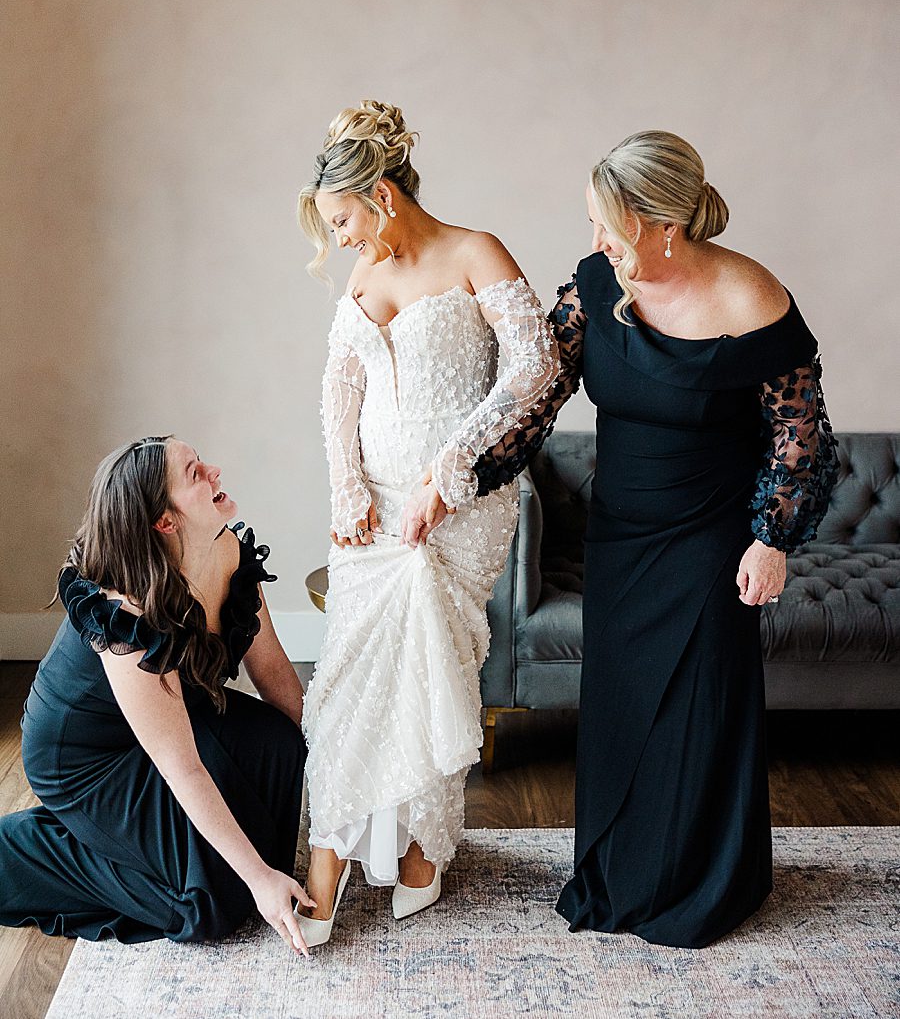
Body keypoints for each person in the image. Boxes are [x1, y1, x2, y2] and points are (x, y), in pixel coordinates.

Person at [474, 130, 839, 948]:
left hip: (713, 541)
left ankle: (704, 885)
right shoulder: (598, 285)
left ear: (660, 223)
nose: (597, 242)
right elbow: (534, 395)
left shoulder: (754, 296)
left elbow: (800, 433)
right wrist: (462, 473)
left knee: (699, 713)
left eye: (609, 224)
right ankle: (619, 876)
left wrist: (770, 537)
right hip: (622, 539)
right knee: (624, 711)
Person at [296, 99, 559, 944]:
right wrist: (345, 486)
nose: (339, 238)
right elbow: (340, 391)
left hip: (461, 510)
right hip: (371, 507)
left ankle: (419, 850)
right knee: (346, 677)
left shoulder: (476, 252)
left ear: (382, 192)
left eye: (343, 218)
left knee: (430, 669)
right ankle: (327, 865)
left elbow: (536, 366)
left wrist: (450, 473)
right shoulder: (362, 276)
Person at [0, 436, 314, 953]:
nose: (214, 471)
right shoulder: (128, 613)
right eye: (194, 473)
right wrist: (259, 881)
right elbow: (181, 765)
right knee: (216, 903)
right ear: (164, 521)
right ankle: (26, 850)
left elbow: (274, 671)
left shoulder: (228, 553)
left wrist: (334, 771)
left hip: (170, 721)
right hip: (86, 758)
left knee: (280, 745)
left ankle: (129, 839)